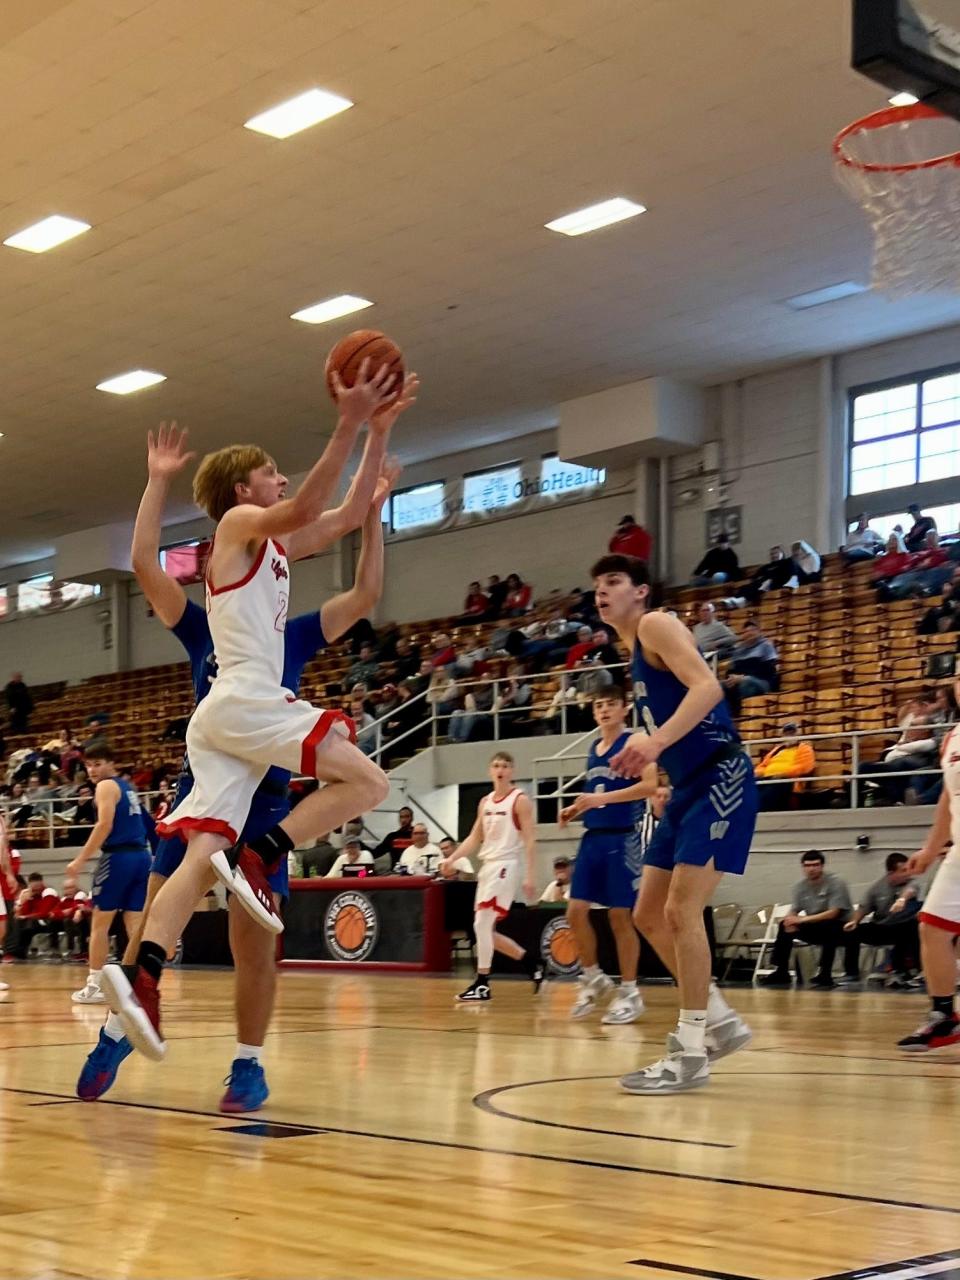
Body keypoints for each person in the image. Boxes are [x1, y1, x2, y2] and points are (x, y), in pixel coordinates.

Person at [78, 420, 400, 1102]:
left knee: (247, 934)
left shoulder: (289, 621)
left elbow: (350, 557)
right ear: (244, 489)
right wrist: (159, 479)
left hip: (259, 774)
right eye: (272, 470)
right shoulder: (209, 611)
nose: (281, 479)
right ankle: (116, 1031)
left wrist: (374, 492)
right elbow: (147, 565)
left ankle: (226, 1048)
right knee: (367, 783)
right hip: (235, 734)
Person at [592, 553, 757, 1093]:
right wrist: (659, 772)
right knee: (647, 914)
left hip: (721, 776)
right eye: (597, 584)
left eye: (614, 581)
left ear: (641, 591)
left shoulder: (655, 624)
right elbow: (670, 718)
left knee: (681, 910)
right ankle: (720, 1019)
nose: (602, 590)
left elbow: (708, 687)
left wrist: (656, 743)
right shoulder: (632, 651)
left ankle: (690, 1051)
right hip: (686, 788)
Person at [559, 686, 657, 1024]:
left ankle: (630, 991)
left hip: (623, 838)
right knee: (574, 911)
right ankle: (593, 977)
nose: (604, 710)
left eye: (611, 704)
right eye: (599, 705)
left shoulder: (634, 742)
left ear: (624, 708)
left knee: (619, 917)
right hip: (593, 837)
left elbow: (649, 787)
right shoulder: (593, 748)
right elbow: (597, 791)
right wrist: (575, 807)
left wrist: (599, 802)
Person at [440, 751, 543, 1001]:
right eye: (496, 765)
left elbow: (530, 839)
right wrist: (452, 859)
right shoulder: (485, 802)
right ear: (490, 770)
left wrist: (530, 875)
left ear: (512, 771)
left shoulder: (520, 800)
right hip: (488, 867)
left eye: (506, 765)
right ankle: (532, 964)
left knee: (481, 925)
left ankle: (482, 983)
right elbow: (475, 837)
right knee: (484, 930)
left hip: (506, 864)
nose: (501, 769)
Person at [897, 689, 960, 1049]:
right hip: (958, 855)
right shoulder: (952, 737)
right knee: (933, 929)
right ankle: (944, 1016)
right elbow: (949, 797)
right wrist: (931, 847)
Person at [65, 740, 151, 1005]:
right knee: (134, 924)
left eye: (97, 764)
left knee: (100, 924)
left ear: (111, 764)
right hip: (142, 857)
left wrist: (79, 861)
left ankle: (94, 984)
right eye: (88, 765)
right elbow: (148, 824)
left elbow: (104, 825)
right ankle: (139, 983)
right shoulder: (129, 788)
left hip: (118, 858)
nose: (92, 770)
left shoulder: (104, 786)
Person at [758, 851, 852, 989]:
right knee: (784, 925)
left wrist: (802, 920)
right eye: (807, 865)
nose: (811, 869)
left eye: (815, 865)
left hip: (841, 928)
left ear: (822, 866)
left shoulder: (836, 882)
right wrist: (789, 919)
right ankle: (781, 971)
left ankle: (825, 974)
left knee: (829, 926)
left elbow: (834, 913)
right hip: (814, 925)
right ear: (803, 867)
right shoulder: (799, 886)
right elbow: (795, 909)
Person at [842, 853, 922, 987]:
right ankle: (851, 973)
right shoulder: (877, 888)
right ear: (891, 872)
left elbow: (911, 890)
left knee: (911, 927)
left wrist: (902, 900)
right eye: (903, 871)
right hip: (883, 926)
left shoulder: (911, 883)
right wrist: (854, 921)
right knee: (852, 932)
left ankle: (905, 970)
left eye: (909, 870)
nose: (907, 873)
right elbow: (864, 908)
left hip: (904, 926)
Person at [722, 620, 780, 716]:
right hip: (740, 680)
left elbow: (770, 670)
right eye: (746, 631)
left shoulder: (766, 646)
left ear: (759, 632)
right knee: (720, 686)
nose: (749, 633)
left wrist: (743, 677)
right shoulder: (739, 650)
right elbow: (731, 670)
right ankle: (728, 717)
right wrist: (731, 678)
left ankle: (745, 715)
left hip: (762, 681)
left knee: (746, 683)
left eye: (752, 630)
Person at [754, 722, 816, 811]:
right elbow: (763, 765)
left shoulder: (805, 749)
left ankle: (758, 809)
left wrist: (783, 773)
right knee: (751, 783)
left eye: (792, 733)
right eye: (787, 733)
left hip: (787, 780)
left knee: (773, 787)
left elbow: (805, 767)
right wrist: (759, 773)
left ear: (798, 734)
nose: (789, 736)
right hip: (768, 778)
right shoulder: (777, 749)